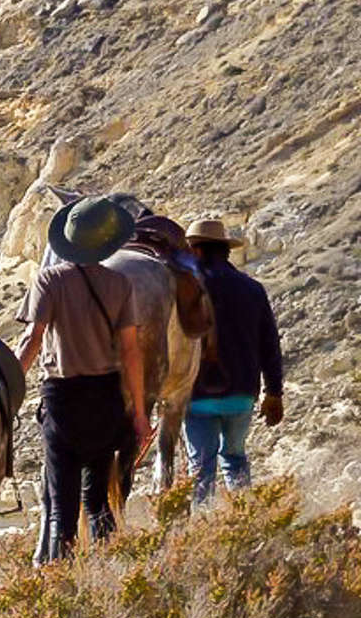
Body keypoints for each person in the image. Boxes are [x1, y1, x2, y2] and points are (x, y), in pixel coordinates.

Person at [17, 195, 151, 562]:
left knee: (62, 508)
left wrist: (9, 385)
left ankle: (63, 589)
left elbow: (33, 339)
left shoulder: (48, 281)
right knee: (98, 505)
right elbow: (132, 351)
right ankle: (107, 580)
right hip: (106, 398)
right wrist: (140, 414)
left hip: (63, 401)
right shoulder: (120, 285)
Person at [183, 217, 283, 505]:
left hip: (198, 394)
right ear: (225, 249)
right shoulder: (252, 289)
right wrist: (274, 392)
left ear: (198, 250)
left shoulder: (187, 291)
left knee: (201, 468)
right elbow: (269, 345)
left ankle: (203, 533)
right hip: (242, 394)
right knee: (235, 458)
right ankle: (243, 520)